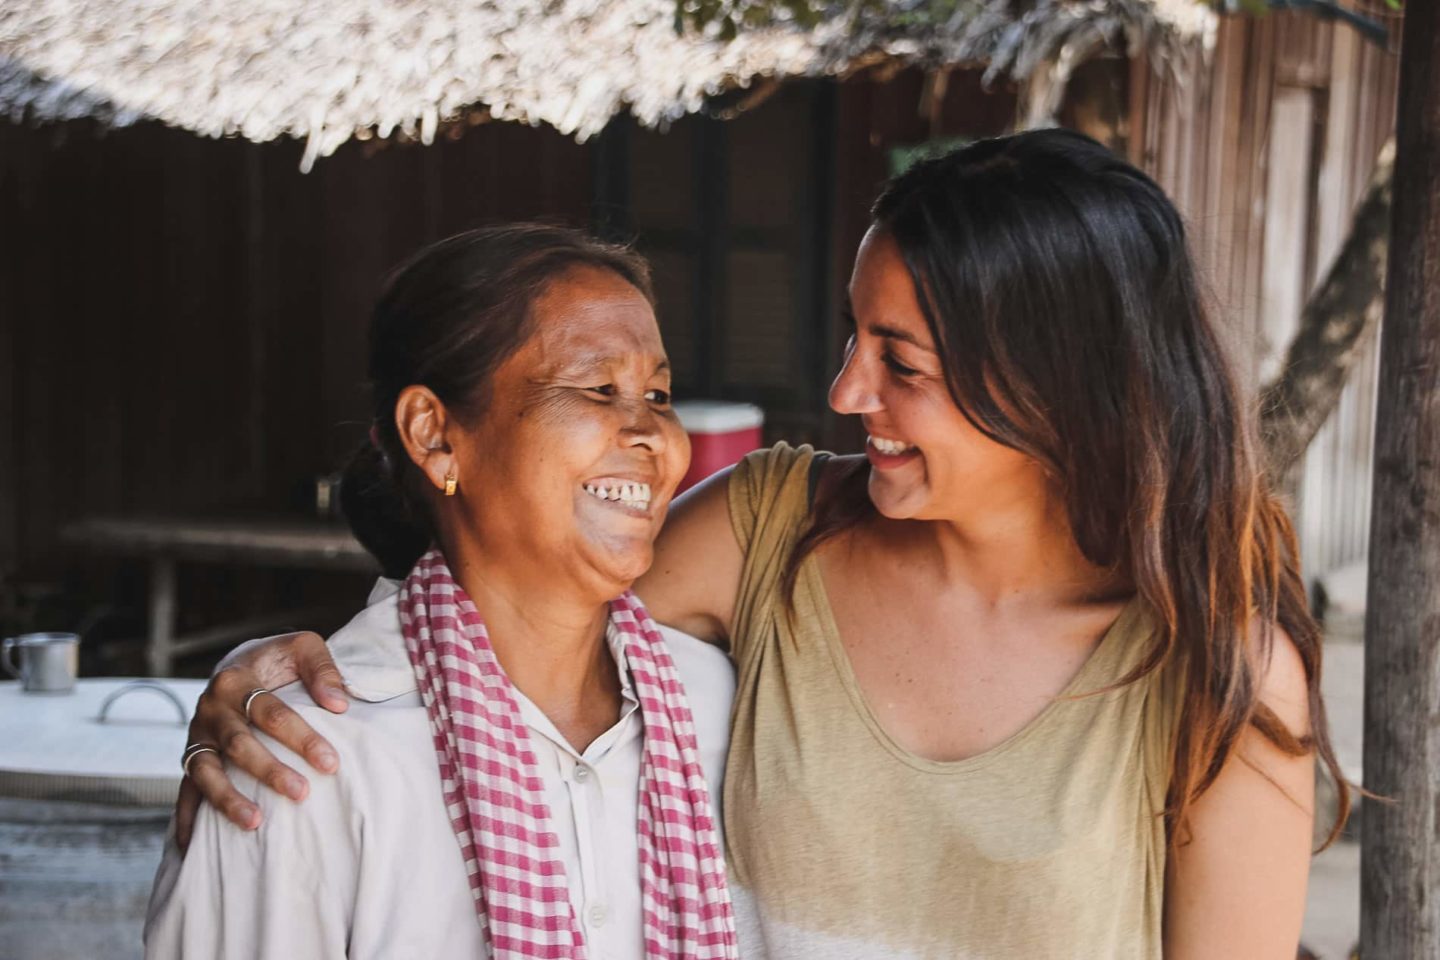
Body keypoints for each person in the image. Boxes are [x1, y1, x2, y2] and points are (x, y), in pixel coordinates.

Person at [171, 130, 1347, 959]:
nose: (844, 390)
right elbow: (513, 613)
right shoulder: (772, 537)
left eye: (903, 364)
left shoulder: (1216, 671)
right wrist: (305, 667)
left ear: (1057, 384)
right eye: (853, 337)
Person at [145, 224, 740, 959]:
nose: (653, 433)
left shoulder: (715, 708)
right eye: (599, 389)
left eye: (659, 393)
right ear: (434, 435)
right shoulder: (309, 762)